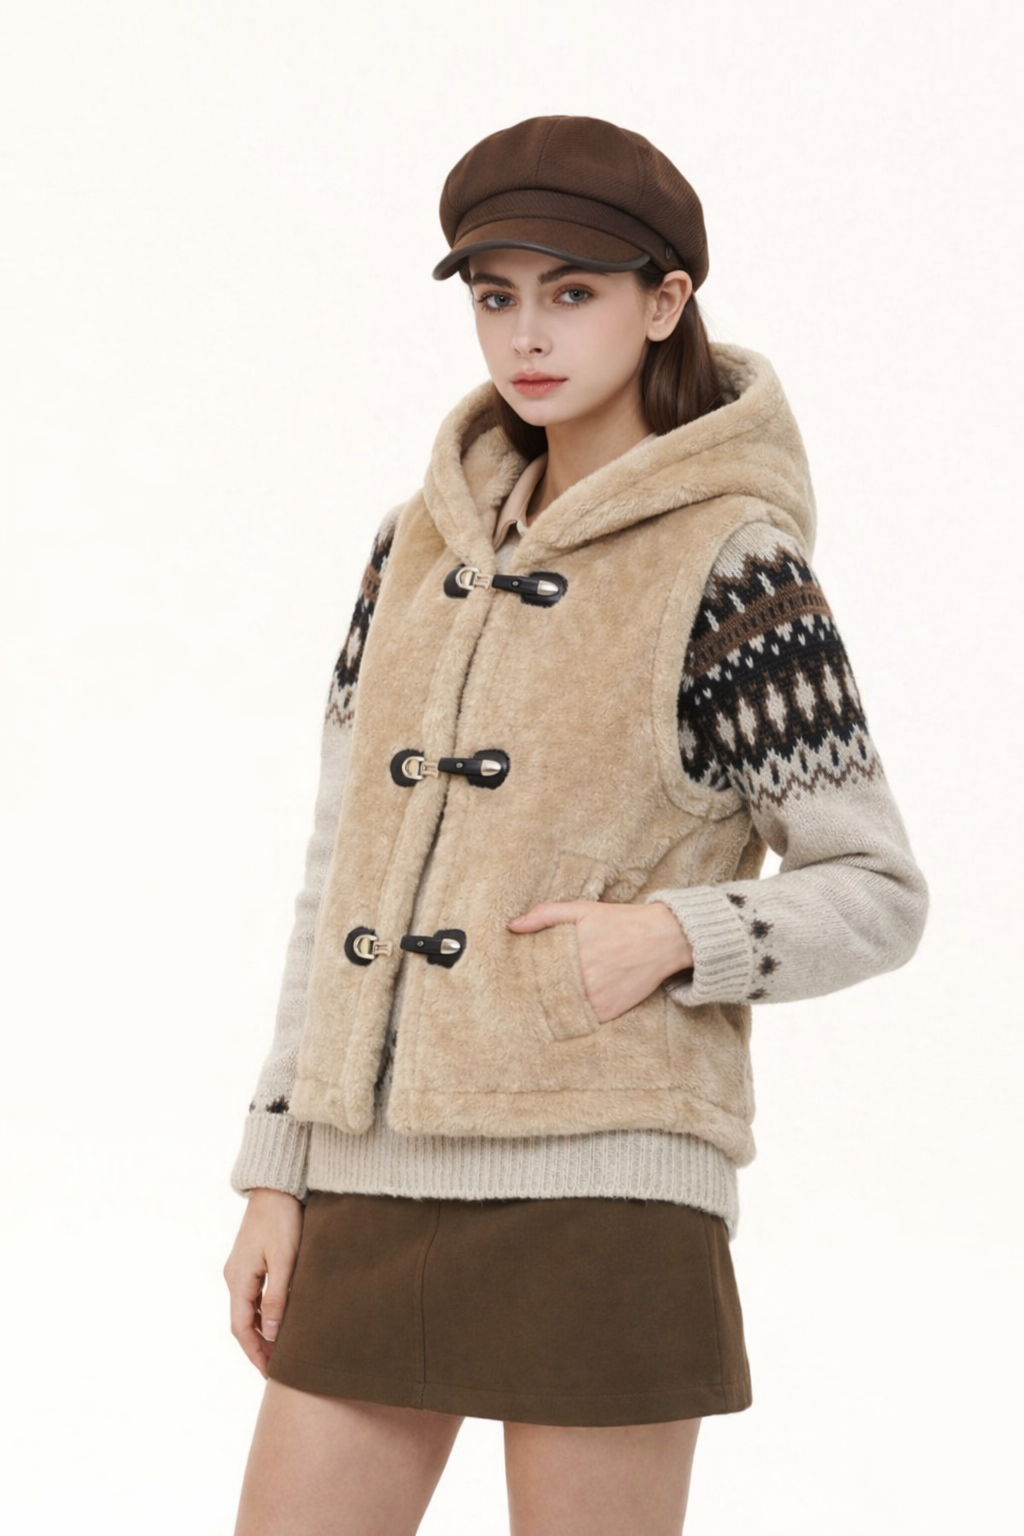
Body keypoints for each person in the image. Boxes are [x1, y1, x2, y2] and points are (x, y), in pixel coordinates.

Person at [223, 114, 928, 1535]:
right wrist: (274, 1169)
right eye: (496, 296)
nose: (527, 334)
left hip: (607, 1181)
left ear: (664, 303)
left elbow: (876, 888)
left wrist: (675, 933)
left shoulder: (735, 563)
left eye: (573, 291)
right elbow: (335, 872)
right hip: (370, 1172)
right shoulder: (409, 549)